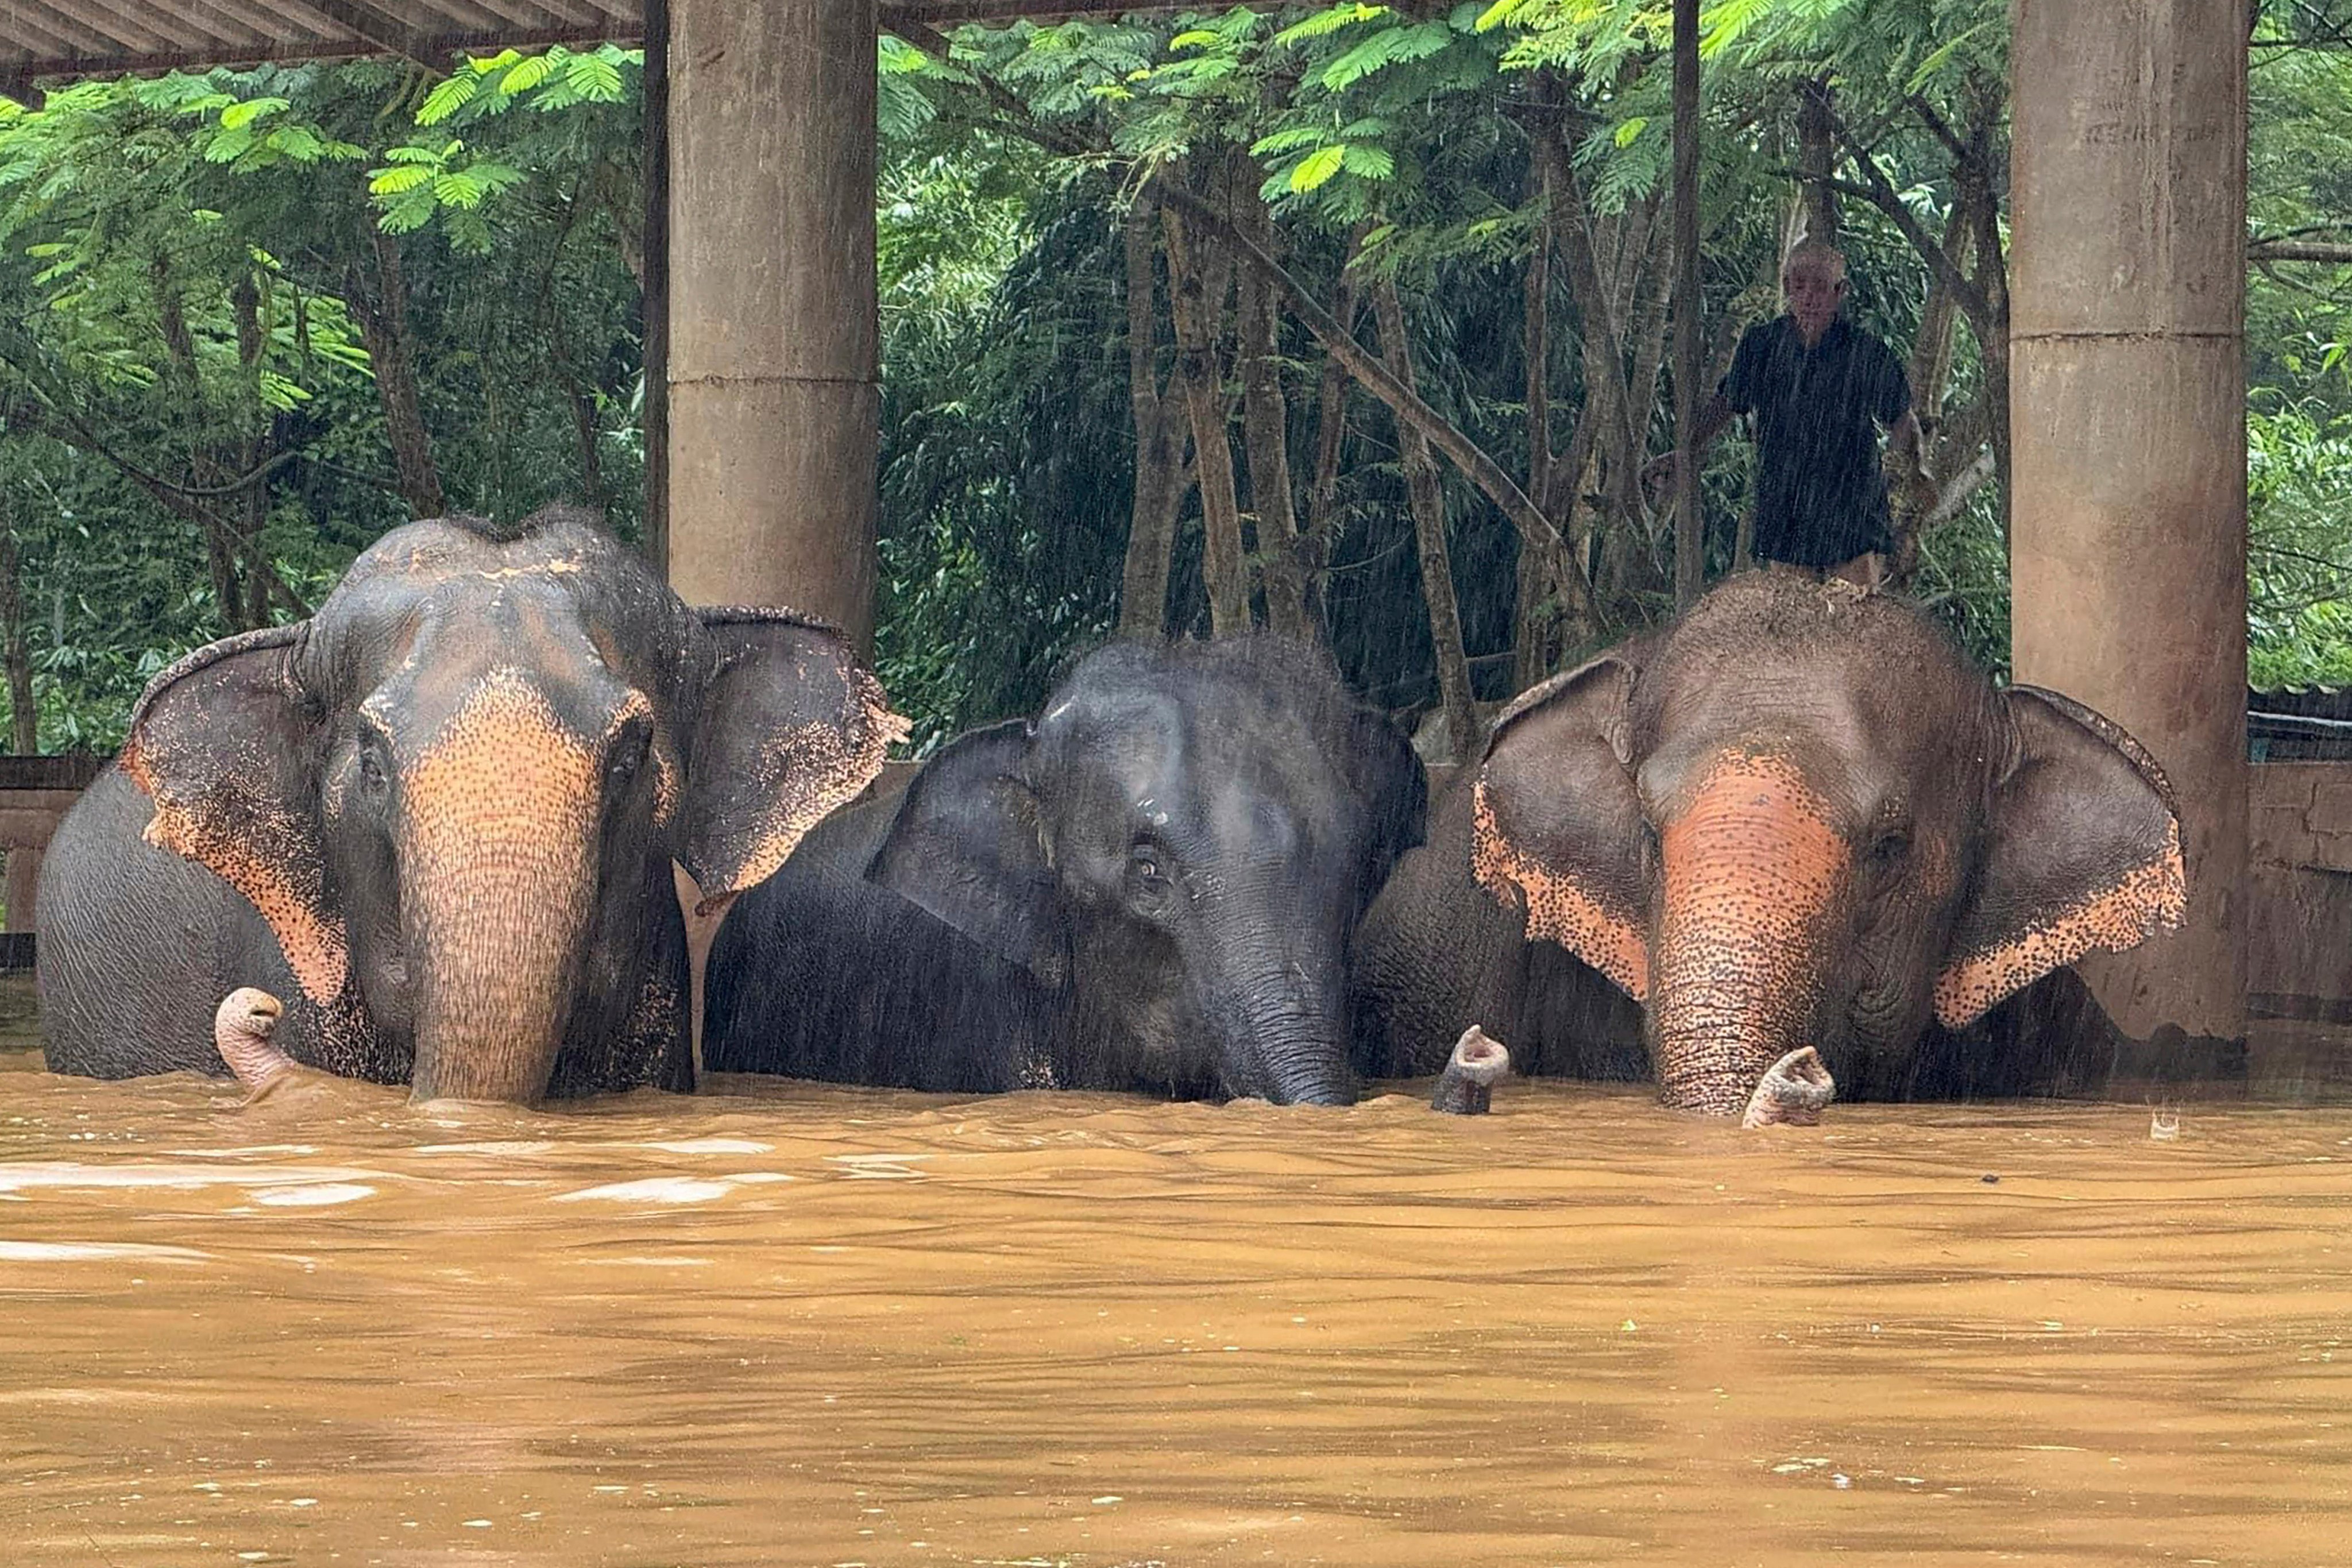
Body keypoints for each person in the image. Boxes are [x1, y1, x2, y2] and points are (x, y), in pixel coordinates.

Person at [1645, 242, 1933, 588]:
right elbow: (1728, 401)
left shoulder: (1866, 351)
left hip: (1852, 507)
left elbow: (1902, 420)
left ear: (1840, 292)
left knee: (1858, 616)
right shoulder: (1762, 345)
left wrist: (1912, 473)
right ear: (1786, 287)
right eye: (1799, 286)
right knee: (1792, 616)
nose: (1809, 297)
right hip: (1786, 504)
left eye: (1820, 287)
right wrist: (1686, 452)